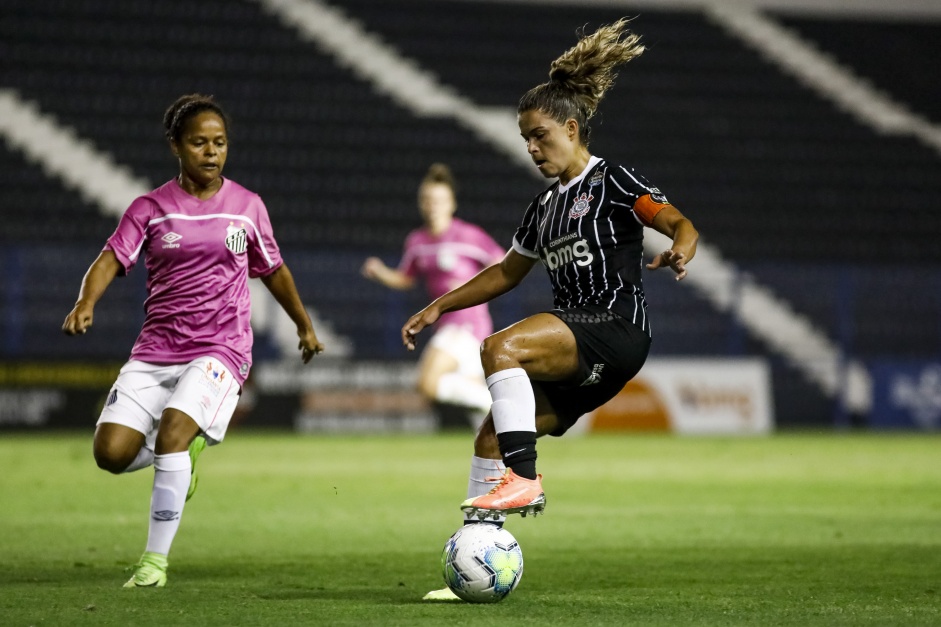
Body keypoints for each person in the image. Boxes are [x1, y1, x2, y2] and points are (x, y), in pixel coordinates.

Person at [402, 20, 699, 600]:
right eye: (526, 141)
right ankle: (474, 560)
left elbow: (676, 222)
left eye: (540, 136)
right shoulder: (543, 208)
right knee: (491, 432)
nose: (533, 149)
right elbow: (506, 273)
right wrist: (439, 305)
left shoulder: (611, 180)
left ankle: (526, 478)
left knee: (499, 348)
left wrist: (681, 248)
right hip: (581, 350)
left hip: (615, 327)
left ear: (571, 126)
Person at [62, 93, 324, 588]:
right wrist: (86, 301)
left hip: (221, 348)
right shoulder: (150, 208)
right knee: (111, 455)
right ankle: (181, 458)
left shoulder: (247, 208)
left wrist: (303, 325)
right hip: (155, 350)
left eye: (219, 143)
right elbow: (110, 259)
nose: (211, 152)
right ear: (176, 147)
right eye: (199, 143)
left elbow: (274, 269)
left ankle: (153, 563)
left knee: (174, 433)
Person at [362, 163, 505, 429]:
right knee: (482, 423)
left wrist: (472, 284)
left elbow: (503, 263)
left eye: (439, 200)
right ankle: (498, 446)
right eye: (427, 200)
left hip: (467, 324)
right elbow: (406, 278)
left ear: (451, 203)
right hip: (446, 325)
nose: (433, 205)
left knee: (427, 383)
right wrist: (380, 272)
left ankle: (495, 402)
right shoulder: (417, 242)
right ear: (421, 204)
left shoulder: (469, 235)